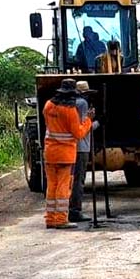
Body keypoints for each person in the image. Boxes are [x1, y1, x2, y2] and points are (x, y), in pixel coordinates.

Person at [43, 78, 92, 229]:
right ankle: (61, 219)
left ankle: (50, 218)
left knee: (52, 185)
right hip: (65, 154)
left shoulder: (48, 106)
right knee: (64, 186)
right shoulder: (70, 111)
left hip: (50, 152)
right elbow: (78, 133)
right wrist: (88, 121)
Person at [69, 81, 96, 223]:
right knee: (79, 180)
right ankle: (75, 210)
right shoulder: (82, 104)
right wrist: (94, 121)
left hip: (71, 147)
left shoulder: (69, 103)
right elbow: (84, 127)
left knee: (71, 179)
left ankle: (68, 208)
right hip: (82, 147)